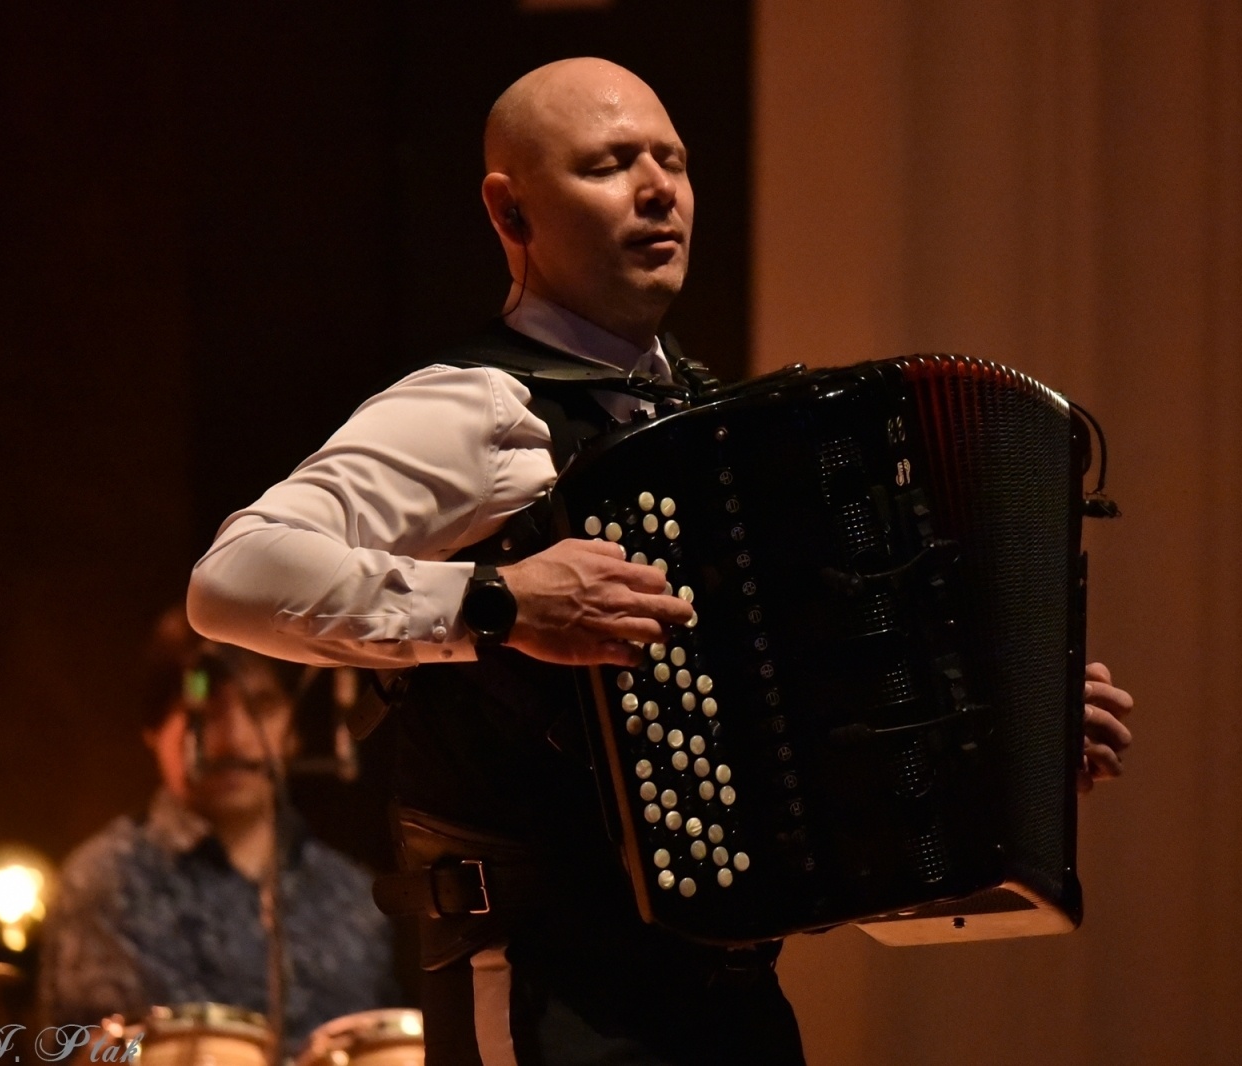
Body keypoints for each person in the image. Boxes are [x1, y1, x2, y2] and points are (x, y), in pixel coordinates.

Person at [187, 58, 1134, 1066]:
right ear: (510, 214)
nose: (656, 189)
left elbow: (815, 718)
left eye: (670, 161)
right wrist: (498, 602)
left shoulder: (712, 430)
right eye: (608, 164)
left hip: (723, 990)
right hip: (552, 983)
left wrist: (1001, 731)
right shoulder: (471, 407)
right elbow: (235, 577)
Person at [37, 606, 397, 1056]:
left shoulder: (353, 894)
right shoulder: (105, 881)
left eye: (261, 706)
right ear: (153, 730)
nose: (236, 738)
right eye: (202, 710)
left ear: (294, 732)